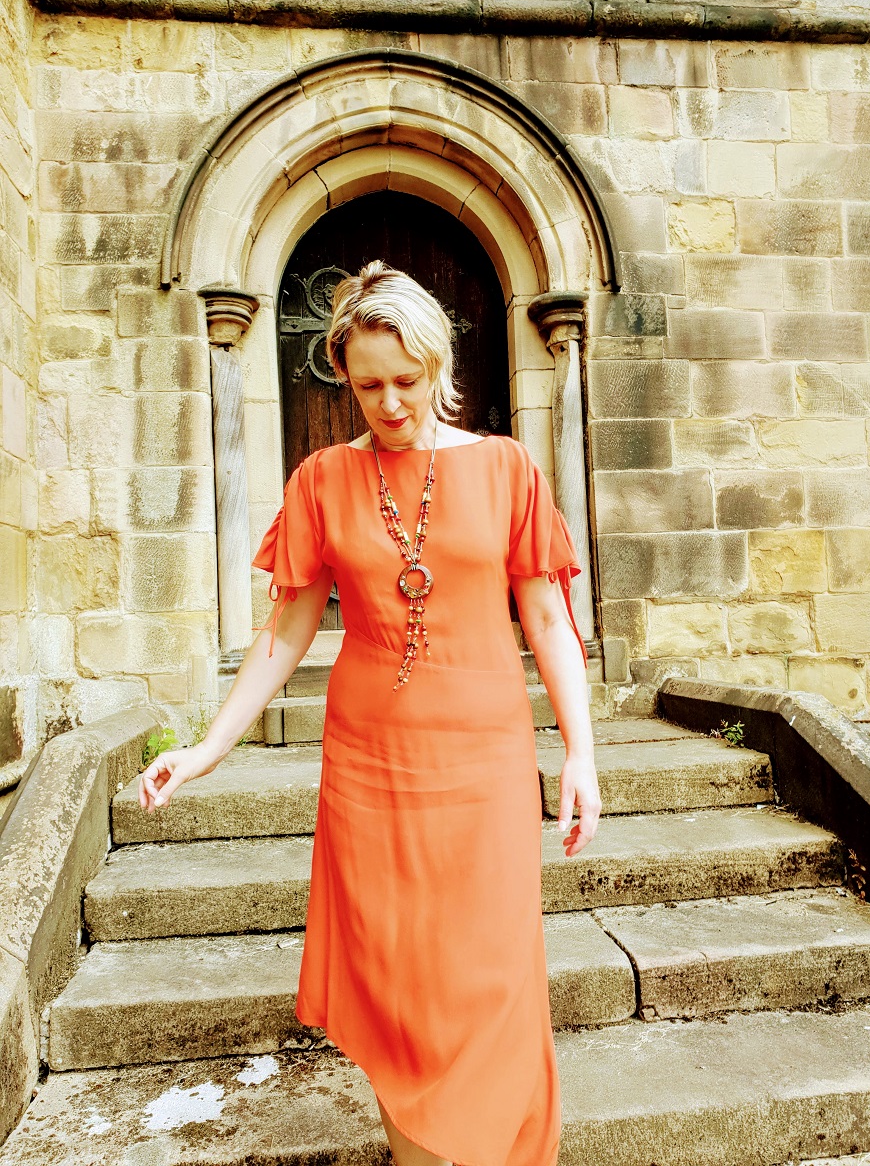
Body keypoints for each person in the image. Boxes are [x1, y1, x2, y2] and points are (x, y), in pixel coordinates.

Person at [138, 260, 601, 1166]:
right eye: (367, 385)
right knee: (396, 982)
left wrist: (579, 753)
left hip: (485, 761)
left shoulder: (507, 467)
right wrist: (205, 750)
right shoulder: (320, 479)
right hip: (370, 767)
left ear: (438, 365)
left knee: (489, 973)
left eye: (406, 380)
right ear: (343, 377)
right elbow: (283, 634)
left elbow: (547, 618)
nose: (389, 403)